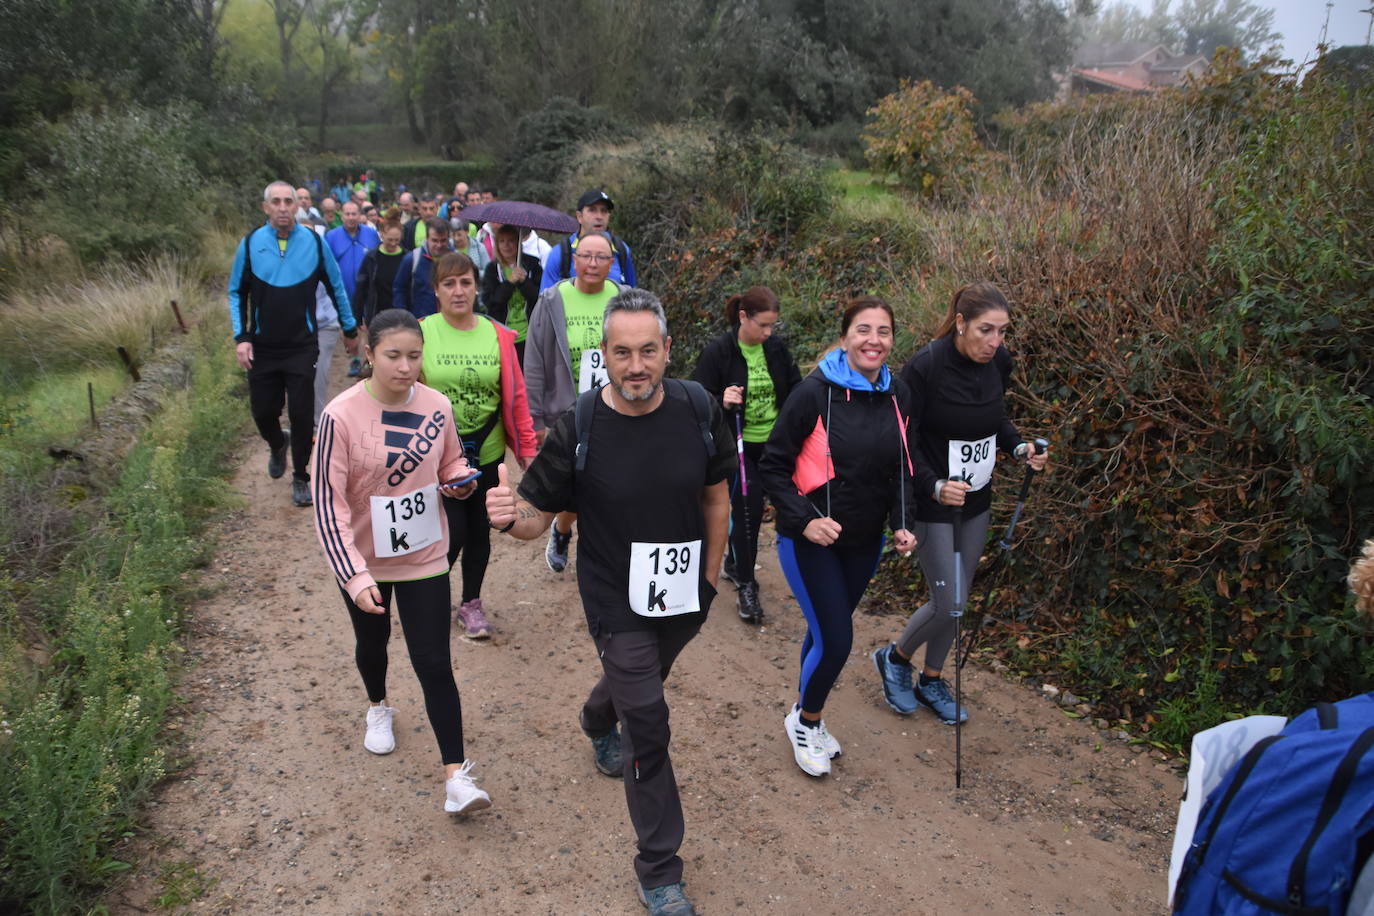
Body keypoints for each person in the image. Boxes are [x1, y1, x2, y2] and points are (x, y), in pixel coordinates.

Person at [487, 288, 731, 916]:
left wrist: (707, 582)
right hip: (613, 596)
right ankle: (659, 869)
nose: (636, 366)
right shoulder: (582, 424)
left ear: (667, 350)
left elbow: (717, 498)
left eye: (648, 351)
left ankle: (598, 716)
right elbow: (538, 519)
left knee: (633, 689)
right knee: (647, 716)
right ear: (604, 355)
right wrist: (506, 517)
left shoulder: (698, 408)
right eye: (622, 353)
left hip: (682, 592)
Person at [312, 308, 491, 815]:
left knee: (434, 661)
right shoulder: (340, 416)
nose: (405, 367)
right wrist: (353, 573)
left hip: (424, 553)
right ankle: (377, 707)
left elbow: (451, 458)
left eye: (415, 355)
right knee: (373, 643)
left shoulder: (437, 405)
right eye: (393, 356)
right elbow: (329, 504)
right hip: (365, 559)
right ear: (369, 355)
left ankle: (456, 778)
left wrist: (461, 479)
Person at [871, 283, 1047, 726]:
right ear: (962, 323)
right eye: (986, 330)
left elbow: (995, 417)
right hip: (934, 501)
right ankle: (895, 658)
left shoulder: (998, 363)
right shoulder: (926, 366)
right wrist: (932, 485)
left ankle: (931, 679)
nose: (995, 342)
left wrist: (1019, 447)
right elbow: (905, 438)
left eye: (1003, 332)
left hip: (977, 498)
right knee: (950, 602)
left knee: (957, 599)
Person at [759, 296, 920, 778]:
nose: (874, 340)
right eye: (864, 330)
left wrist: (901, 523)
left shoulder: (899, 395)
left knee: (825, 632)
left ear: (893, 339)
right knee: (837, 638)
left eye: (884, 332)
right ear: (846, 336)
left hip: (865, 541)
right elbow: (772, 466)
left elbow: (902, 470)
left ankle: (804, 710)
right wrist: (805, 518)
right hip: (811, 540)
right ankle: (806, 722)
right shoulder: (815, 393)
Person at [420, 253, 538, 638]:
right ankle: (428, 597)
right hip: (434, 458)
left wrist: (528, 452)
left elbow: (517, 399)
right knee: (446, 532)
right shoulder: (421, 333)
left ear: (476, 287)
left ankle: (471, 603)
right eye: (449, 283)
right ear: (436, 289)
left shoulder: (497, 335)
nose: (458, 291)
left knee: (479, 529)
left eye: (465, 282)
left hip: (486, 451)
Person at [228, 180, 359, 507]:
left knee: (302, 415)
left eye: (289, 201)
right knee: (263, 411)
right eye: (277, 202)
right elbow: (235, 292)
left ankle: (301, 476)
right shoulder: (249, 244)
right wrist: (241, 337)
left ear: (297, 206)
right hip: (263, 347)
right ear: (266, 207)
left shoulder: (314, 243)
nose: (284, 207)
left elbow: (336, 286)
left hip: (302, 345)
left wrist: (349, 327)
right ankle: (276, 443)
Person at [691, 286, 801, 624]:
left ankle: (735, 563)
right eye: (763, 325)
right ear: (743, 317)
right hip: (736, 444)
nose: (768, 333)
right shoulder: (720, 352)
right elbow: (697, 395)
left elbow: (797, 389)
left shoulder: (777, 349)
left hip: (776, 446)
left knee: (789, 508)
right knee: (748, 508)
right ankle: (747, 584)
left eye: (772, 326)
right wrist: (721, 398)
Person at [524, 231, 622, 573]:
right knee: (576, 483)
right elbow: (534, 362)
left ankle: (603, 553)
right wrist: (534, 420)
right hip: (567, 412)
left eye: (601, 258)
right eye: (586, 256)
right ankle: (563, 528)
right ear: (574, 259)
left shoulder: (626, 299)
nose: (593, 264)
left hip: (617, 409)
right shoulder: (552, 300)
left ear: (612, 263)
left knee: (610, 484)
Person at [540, 189, 637, 291]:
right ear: (579, 217)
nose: (599, 217)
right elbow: (546, 301)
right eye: (592, 210)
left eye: (604, 211)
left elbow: (633, 295)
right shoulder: (560, 253)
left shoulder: (621, 249)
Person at [327, 202, 380, 378]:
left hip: (368, 288)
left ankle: (366, 359)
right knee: (349, 324)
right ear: (341, 216)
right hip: (344, 289)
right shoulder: (332, 236)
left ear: (360, 216)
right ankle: (355, 357)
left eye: (354, 214)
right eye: (347, 214)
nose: (350, 217)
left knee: (366, 324)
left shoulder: (371, 234)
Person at [480, 224, 542, 364]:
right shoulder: (492, 269)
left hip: (529, 335)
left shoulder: (532, 265)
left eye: (511, 241)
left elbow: (539, 298)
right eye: (502, 241)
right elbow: (492, 302)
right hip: (503, 334)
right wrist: (510, 282)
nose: (506, 246)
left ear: (518, 243)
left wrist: (524, 281)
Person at [393, 218, 452, 319]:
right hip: (421, 321)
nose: (439, 245)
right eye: (434, 240)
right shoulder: (412, 259)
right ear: (427, 238)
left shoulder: (455, 260)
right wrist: (404, 317)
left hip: (450, 320)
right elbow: (399, 289)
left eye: (443, 241)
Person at [355, 212, 405, 330]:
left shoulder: (407, 258)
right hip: (377, 315)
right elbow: (361, 287)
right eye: (390, 240)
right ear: (381, 235)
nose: (393, 243)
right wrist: (358, 316)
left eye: (397, 240)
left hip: (401, 317)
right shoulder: (372, 258)